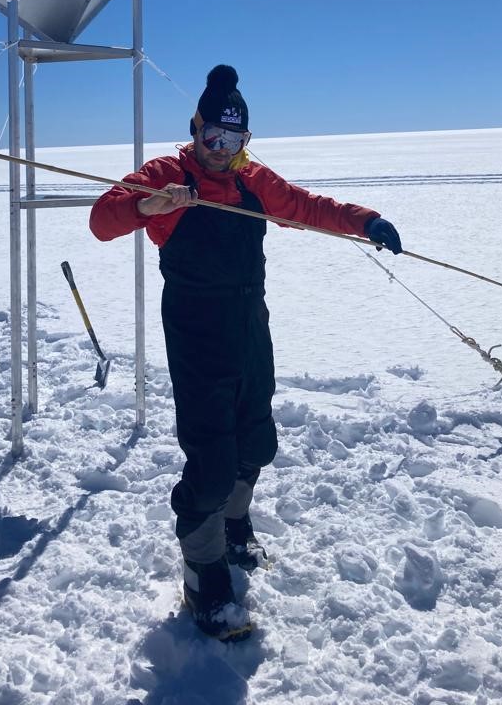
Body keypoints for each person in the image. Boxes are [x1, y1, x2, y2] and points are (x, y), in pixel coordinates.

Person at [89, 65, 402, 641]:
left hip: (249, 323)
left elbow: (306, 207)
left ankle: (235, 525)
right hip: (195, 327)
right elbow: (101, 220)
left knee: (256, 437)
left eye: (233, 141)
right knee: (210, 457)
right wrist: (150, 208)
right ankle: (202, 567)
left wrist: (366, 221)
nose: (221, 149)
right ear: (197, 128)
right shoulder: (167, 174)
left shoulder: (251, 180)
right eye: (212, 137)